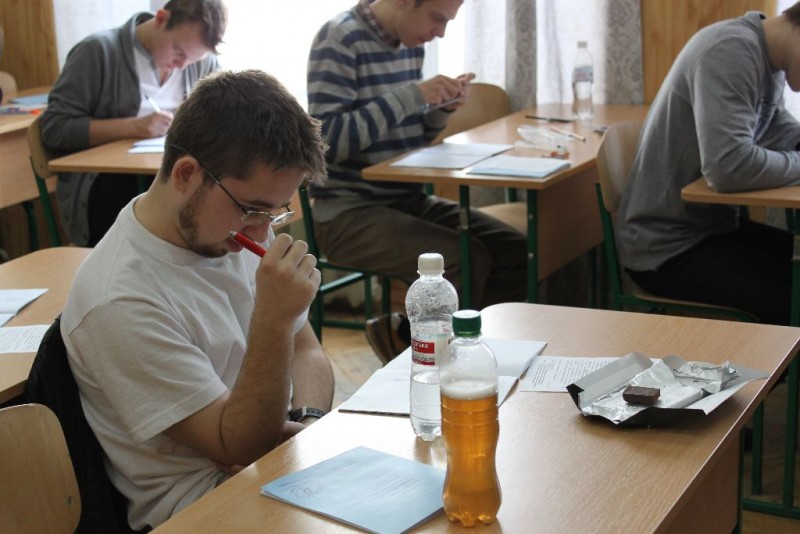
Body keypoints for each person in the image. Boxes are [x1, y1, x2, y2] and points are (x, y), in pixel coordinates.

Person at [59, 69, 334, 530]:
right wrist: (272, 319)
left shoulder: (227, 231)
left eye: (275, 212)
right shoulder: (119, 299)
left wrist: (307, 424)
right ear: (186, 174)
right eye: (252, 209)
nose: (260, 233)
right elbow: (236, 445)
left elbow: (307, 350)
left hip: (273, 464)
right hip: (199, 506)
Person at [307, 0, 527, 360]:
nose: (440, 33)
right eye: (437, 18)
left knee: (513, 250)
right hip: (347, 214)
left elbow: (406, 138)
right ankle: (439, 363)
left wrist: (440, 112)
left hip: (406, 200)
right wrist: (413, 96)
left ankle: (469, 350)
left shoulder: (410, 44)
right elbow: (326, 143)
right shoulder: (340, 39)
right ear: (404, 2)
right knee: (462, 259)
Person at [616, 4, 800, 326]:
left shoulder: (768, 60)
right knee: (794, 299)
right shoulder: (730, 51)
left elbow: (776, 130)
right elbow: (729, 167)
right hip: (666, 247)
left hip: (711, 229)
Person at [40, 0, 227, 247]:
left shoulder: (204, 64)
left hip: (166, 173)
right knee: (167, 199)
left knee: (219, 187)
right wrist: (134, 127)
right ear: (160, 19)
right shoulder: (97, 52)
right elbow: (54, 128)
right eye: (178, 52)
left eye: (192, 60)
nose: (181, 66)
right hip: (106, 182)